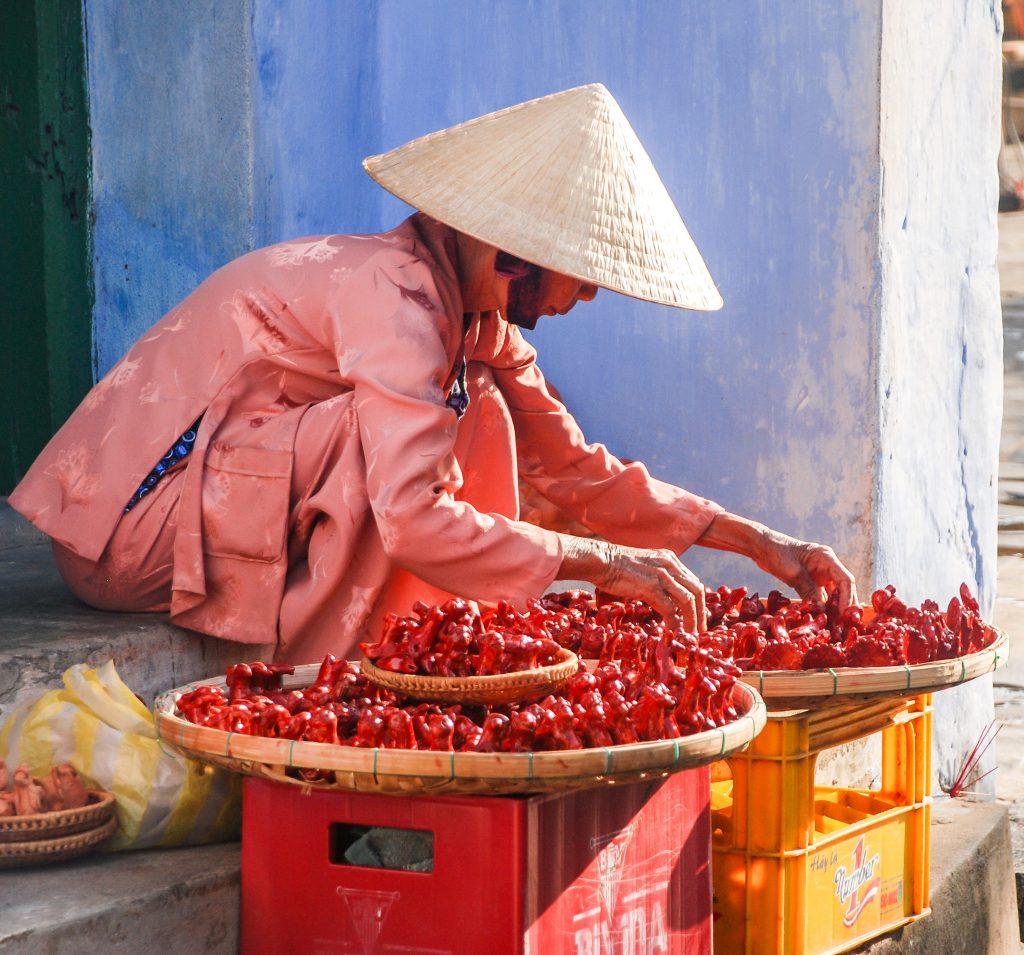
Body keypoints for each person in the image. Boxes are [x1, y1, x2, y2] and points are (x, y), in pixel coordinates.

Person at [9, 84, 857, 664]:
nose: (587, 297)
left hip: (211, 502)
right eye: (583, 275)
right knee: (416, 436)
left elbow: (574, 470)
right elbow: (411, 518)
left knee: (478, 405)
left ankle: (447, 640)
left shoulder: (471, 322)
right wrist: (597, 563)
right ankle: (345, 665)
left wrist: (763, 545)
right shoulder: (399, 299)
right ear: (520, 256)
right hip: (126, 534)